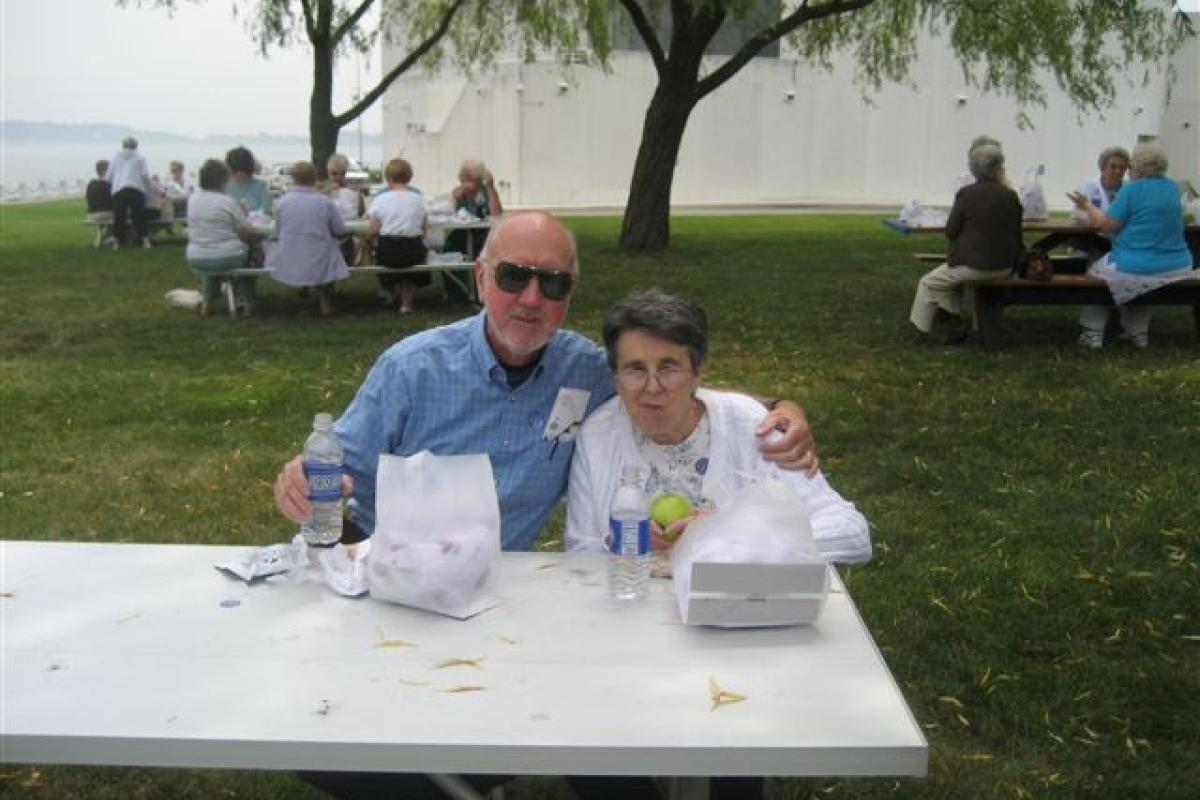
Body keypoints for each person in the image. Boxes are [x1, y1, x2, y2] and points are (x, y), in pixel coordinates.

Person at [271, 211, 817, 800]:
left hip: (510, 595)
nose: (531, 299)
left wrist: (781, 406)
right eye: (513, 277)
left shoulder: (583, 367)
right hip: (401, 588)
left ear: (569, 294)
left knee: (584, 713)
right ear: (481, 278)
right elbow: (333, 471)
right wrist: (300, 485)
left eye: (552, 283)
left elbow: (671, 384)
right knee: (334, 753)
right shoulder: (412, 367)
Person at [566, 288, 870, 564]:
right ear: (616, 376)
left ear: (698, 372)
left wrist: (727, 536)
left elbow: (851, 533)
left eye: (668, 368)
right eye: (635, 369)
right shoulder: (598, 434)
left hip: (740, 611)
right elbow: (579, 552)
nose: (652, 387)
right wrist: (624, 542)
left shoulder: (750, 425)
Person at [1068, 142, 1194, 350]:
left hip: (1137, 263)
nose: (1128, 170)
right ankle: (1138, 333)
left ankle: (1093, 332)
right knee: (1144, 282)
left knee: (1094, 274)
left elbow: (1105, 225)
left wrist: (1086, 205)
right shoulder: (1173, 188)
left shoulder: (1132, 189)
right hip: (1178, 265)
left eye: (1130, 166)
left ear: (1138, 167)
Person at [908, 142, 1023, 344]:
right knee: (950, 277)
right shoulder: (1011, 196)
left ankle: (922, 332)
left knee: (929, 282)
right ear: (999, 168)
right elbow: (1016, 232)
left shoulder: (966, 194)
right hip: (1006, 266)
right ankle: (955, 323)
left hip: (975, 266)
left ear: (973, 169)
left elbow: (951, 231)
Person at [265, 161, 350, 316]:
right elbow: (340, 229)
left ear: (293, 179)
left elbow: (276, 232)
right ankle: (325, 300)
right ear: (315, 178)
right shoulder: (324, 202)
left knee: (314, 248)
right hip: (319, 258)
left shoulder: (282, 202)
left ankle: (312, 293)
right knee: (332, 248)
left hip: (290, 256)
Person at [186, 158, 255, 316]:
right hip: (227, 256)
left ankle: (207, 302)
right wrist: (243, 212)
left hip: (197, 256)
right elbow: (245, 232)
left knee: (212, 260)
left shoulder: (193, 199)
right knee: (250, 257)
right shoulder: (227, 202)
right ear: (223, 180)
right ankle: (247, 302)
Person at [367, 158, 428, 313]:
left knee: (384, 251)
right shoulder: (418, 198)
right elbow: (424, 228)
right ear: (409, 176)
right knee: (410, 256)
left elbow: (373, 229)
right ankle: (406, 303)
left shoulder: (380, 199)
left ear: (388, 177)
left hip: (388, 251)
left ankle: (391, 292)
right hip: (413, 250)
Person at [443, 158, 503, 302]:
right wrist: (455, 199)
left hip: (483, 232)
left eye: (469, 178)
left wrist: (490, 187)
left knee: (482, 253)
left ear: (478, 179)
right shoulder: (459, 193)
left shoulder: (486, 191)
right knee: (448, 249)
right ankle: (457, 292)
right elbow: (449, 212)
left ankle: (480, 291)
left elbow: (496, 213)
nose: (466, 182)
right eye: (463, 178)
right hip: (462, 231)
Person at [105, 136, 152, 249]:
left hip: (119, 190)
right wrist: (146, 188)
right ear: (136, 146)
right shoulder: (140, 157)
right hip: (136, 189)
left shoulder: (116, 157)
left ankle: (117, 241)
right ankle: (145, 241)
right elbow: (145, 175)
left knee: (119, 216)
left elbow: (108, 176)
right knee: (139, 216)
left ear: (123, 145)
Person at [325, 153, 365, 267]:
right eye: (334, 174)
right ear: (328, 173)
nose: (338, 177)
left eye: (342, 174)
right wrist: (325, 191)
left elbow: (360, 214)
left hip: (345, 236)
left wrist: (358, 197)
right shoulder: (321, 190)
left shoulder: (353, 192)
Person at [225, 146, 272, 216]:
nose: (239, 175)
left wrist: (247, 213)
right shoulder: (224, 187)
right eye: (235, 172)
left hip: (254, 225)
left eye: (243, 172)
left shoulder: (261, 186)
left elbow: (265, 210)